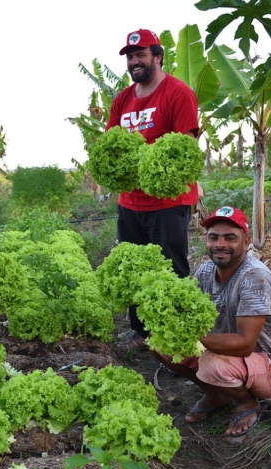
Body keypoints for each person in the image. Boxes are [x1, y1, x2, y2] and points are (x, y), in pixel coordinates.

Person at [155, 206, 271, 437]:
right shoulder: (206, 270)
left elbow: (245, 344)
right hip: (223, 352)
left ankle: (248, 402)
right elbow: (188, 313)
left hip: (268, 366)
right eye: (214, 237)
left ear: (246, 241)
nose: (220, 244)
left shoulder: (254, 277)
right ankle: (215, 394)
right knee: (159, 342)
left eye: (230, 238)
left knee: (211, 364)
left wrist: (190, 334)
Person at [106, 29, 200, 352]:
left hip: (167, 203)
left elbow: (185, 149)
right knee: (135, 269)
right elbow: (110, 146)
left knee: (171, 269)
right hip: (130, 203)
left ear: (157, 57)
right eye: (130, 57)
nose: (134, 61)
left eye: (140, 54)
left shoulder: (178, 93)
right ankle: (140, 333)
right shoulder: (123, 99)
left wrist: (151, 164)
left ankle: (174, 339)